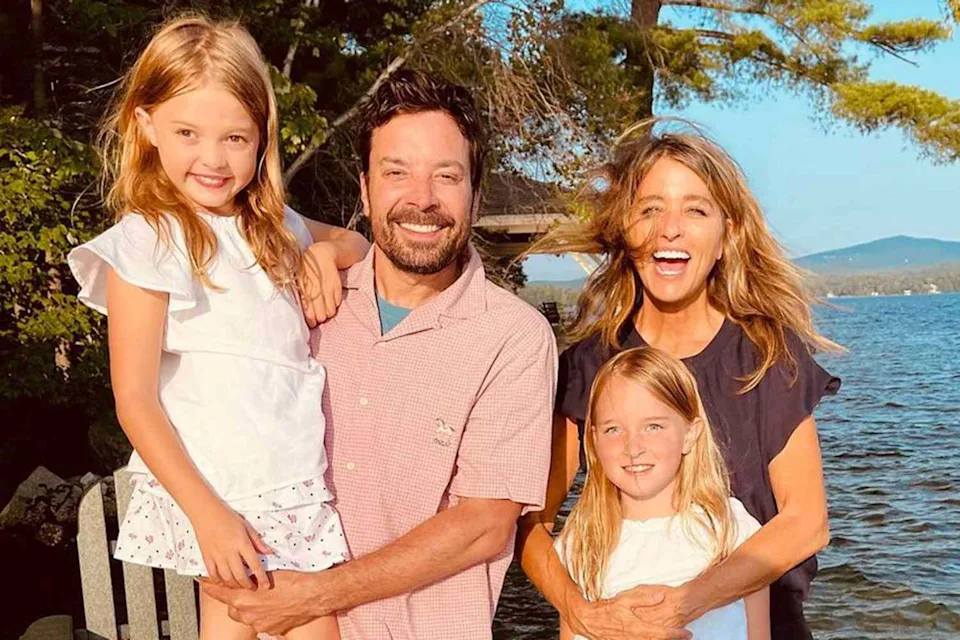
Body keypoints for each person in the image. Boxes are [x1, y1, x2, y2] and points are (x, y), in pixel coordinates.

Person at [201, 70, 558, 640]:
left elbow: (485, 526)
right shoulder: (295, 301)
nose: (422, 198)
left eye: (447, 175)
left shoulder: (514, 338)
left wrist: (318, 595)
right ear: (365, 191)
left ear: (475, 194)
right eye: (397, 173)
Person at [67, 15, 369, 640]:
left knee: (241, 625)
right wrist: (208, 515)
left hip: (292, 479)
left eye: (234, 137)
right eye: (188, 133)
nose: (212, 158)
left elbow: (358, 244)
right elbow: (134, 397)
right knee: (304, 623)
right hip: (221, 489)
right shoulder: (147, 240)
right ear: (146, 124)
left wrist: (323, 254)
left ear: (262, 137)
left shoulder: (278, 226)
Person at [518, 120, 841, 640]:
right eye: (650, 209)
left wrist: (686, 605)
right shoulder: (589, 365)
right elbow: (531, 520)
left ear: (726, 235)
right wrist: (579, 611)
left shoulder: (767, 358)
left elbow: (807, 522)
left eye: (695, 210)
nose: (670, 228)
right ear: (625, 230)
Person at [555, 346, 768, 640]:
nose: (633, 447)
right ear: (593, 440)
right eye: (613, 429)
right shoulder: (582, 540)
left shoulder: (729, 528)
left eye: (653, 426)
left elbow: (759, 632)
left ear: (690, 434)